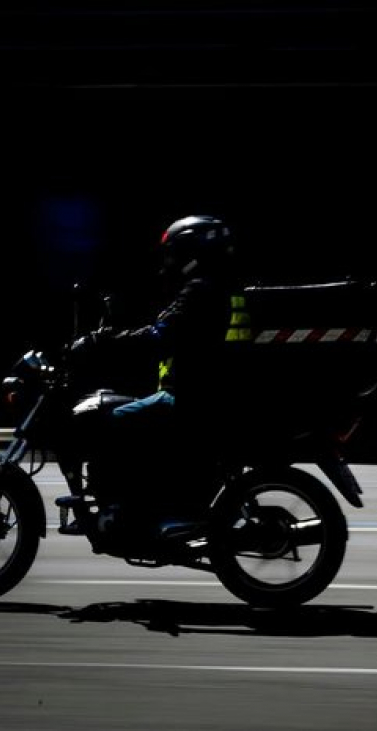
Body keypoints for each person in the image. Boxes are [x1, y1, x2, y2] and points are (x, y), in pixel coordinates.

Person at [69, 214, 253, 536]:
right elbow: (175, 340)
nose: (168, 263)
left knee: (108, 420)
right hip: (207, 393)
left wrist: (102, 340)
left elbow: (161, 336)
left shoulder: (201, 290)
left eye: (174, 254)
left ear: (193, 254)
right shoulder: (221, 288)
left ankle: (135, 513)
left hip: (191, 398)